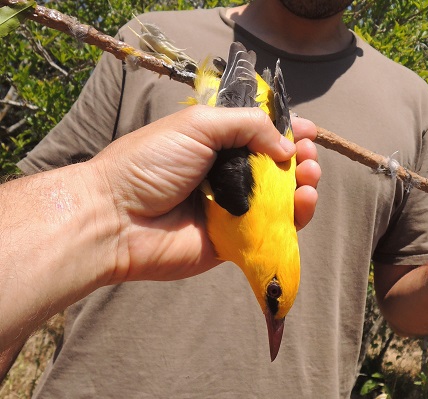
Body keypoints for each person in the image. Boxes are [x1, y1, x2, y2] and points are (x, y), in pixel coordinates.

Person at [7, 1, 428, 397]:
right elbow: (21, 236)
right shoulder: (148, 41)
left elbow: (406, 307)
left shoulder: (411, 102)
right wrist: (103, 203)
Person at [0, 105, 320, 353]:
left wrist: (112, 216)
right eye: (272, 292)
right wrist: (112, 202)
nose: (269, 300)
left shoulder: (246, 231)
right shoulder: (238, 198)